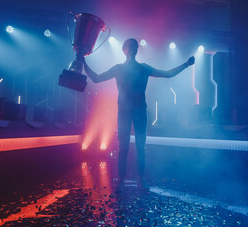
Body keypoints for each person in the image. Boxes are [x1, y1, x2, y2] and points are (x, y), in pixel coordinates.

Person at [82, 38, 195, 190]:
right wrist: (83, 62)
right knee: (126, 147)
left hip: (137, 111)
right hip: (128, 112)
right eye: (132, 46)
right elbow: (95, 79)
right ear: (126, 50)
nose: (134, 48)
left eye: (135, 46)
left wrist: (186, 65)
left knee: (137, 147)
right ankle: (125, 180)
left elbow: (167, 74)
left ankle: (136, 180)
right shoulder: (124, 68)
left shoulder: (140, 68)